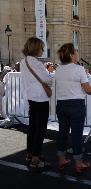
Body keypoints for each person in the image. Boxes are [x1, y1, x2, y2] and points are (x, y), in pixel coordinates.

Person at [55, 43, 91, 173]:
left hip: (61, 104)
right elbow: (87, 89)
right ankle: (79, 163)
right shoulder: (78, 69)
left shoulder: (58, 69)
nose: (77, 53)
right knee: (76, 134)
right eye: (76, 51)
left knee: (62, 133)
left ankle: (61, 159)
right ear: (71, 54)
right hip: (76, 105)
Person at [20, 37, 52, 171]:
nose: (43, 50)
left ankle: (30, 154)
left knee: (32, 127)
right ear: (35, 48)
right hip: (41, 99)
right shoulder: (37, 64)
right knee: (40, 130)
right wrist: (50, 77)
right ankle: (35, 159)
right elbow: (47, 80)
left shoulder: (23, 61)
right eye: (41, 48)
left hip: (31, 97)